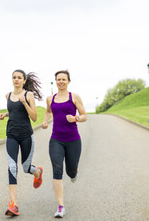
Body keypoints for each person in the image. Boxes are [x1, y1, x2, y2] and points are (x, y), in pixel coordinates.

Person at [0, 69, 44, 217]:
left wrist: (25, 103)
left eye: (19, 78)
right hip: (11, 135)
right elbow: (14, 112)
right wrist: (5, 114)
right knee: (12, 167)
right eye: (14, 77)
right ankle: (13, 205)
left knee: (26, 168)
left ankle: (38, 173)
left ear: (24, 81)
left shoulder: (28, 95)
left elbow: (34, 117)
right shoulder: (8, 95)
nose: (16, 79)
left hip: (26, 136)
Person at [42, 70, 87, 218]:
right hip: (56, 139)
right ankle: (60, 206)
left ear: (68, 81)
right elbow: (48, 111)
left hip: (73, 139)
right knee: (57, 169)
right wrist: (44, 121)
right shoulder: (50, 98)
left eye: (63, 79)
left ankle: (74, 172)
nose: (61, 81)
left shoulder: (74, 97)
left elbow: (84, 115)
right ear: (55, 81)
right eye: (58, 79)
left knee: (71, 171)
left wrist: (76, 118)